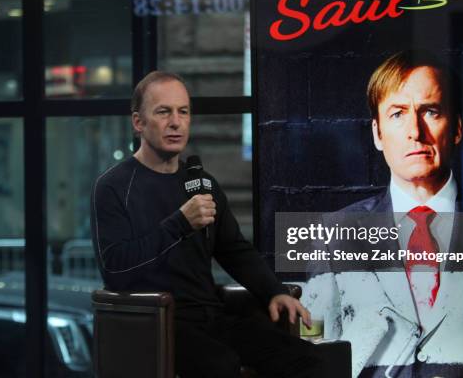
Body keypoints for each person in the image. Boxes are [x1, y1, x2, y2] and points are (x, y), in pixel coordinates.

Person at [303, 50, 463, 377]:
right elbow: (312, 352)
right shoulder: (333, 235)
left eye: (430, 112)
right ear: (377, 134)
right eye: (397, 114)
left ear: (458, 128)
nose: (415, 132)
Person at [91, 71, 329, 377]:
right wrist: (180, 223)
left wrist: (274, 291)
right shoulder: (113, 186)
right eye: (163, 112)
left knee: (307, 358)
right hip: (157, 321)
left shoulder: (201, 182)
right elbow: (116, 269)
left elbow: (233, 249)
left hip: (210, 314)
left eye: (183, 112)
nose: (175, 122)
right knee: (221, 364)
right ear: (138, 122)